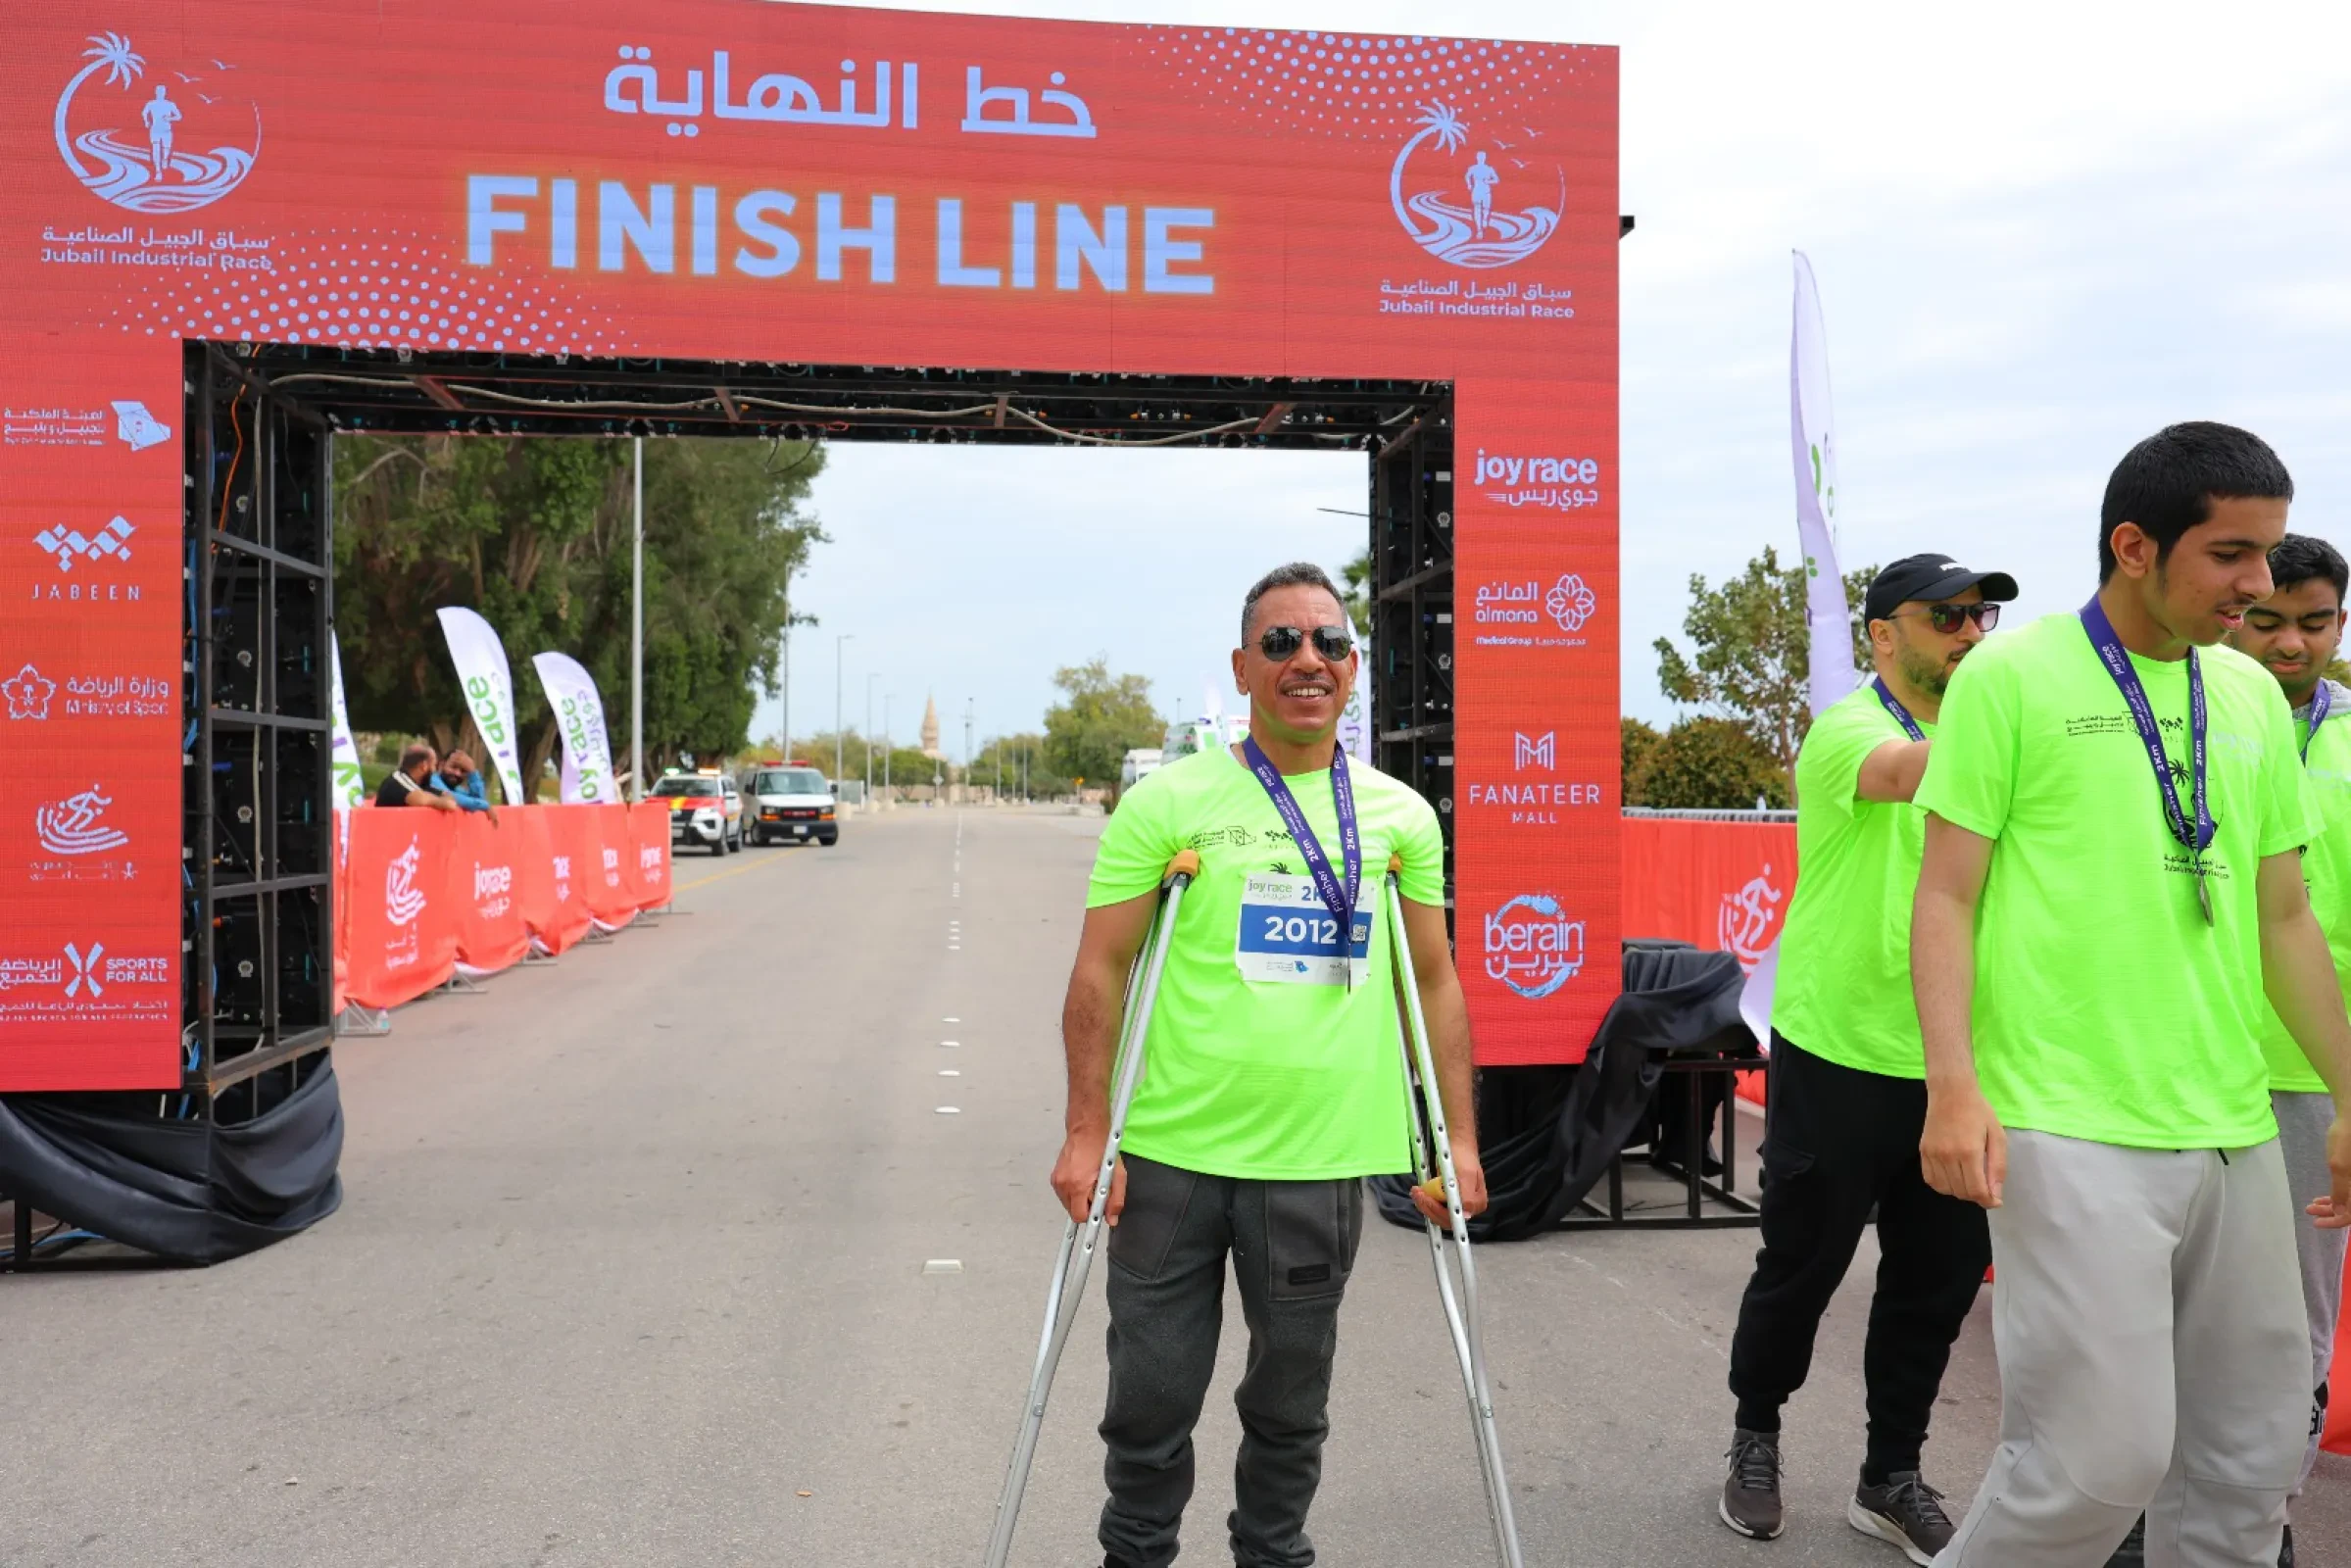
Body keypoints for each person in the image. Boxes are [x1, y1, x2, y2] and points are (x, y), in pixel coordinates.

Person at [1911, 421, 2351, 1567]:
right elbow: (1945, 895)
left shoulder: (2245, 695)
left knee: (2247, 1464)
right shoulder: (2011, 675)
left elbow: (2282, 916)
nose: (2255, 582)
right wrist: (1950, 1087)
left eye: (2266, 553)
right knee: (2090, 1465)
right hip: (2065, 1120)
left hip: (2231, 1124)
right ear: (2133, 546)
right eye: (2228, 554)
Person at [1054, 562, 1483, 1568]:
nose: (1306, 660)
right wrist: (1085, 1133)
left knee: (1290, 1400)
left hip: (1319, 1163)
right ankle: (1135, 1554)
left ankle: (1271, 1553)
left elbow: (1432, 982)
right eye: (1280, 643)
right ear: (1242, 667)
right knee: (1150, 1393)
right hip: (1171, 1157)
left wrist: (1456, 1142)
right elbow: (1100, 969)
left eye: (1328, 643)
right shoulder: (1166, 804)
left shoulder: (1397, 818)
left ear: (1353, 668)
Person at [1720, 553, 2016, 1564]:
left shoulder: (1995, 737)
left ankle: (1889, 1475)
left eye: (1979, 616)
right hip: (1838, 1050)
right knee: (1800, 1265)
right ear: (1883, 635)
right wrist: (2031, 717)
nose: (1969, 631)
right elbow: (1906, 775)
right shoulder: (1848, 730)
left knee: (1934, 1284)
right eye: (1946, 616)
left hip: (1955, 1062)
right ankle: (1754, 1434)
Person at [2227, 533, 2351, 1564]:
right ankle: (2155, 1511)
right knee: (2181, 1311)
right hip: (2191, 1060)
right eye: (2267, 620)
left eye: (2313, 622)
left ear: (2338, 623)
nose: (2289, 642)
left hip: (2315, 1075)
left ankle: (2262, 1515)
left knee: (2294, 1320)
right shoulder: (2193, 716)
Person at [373, 743, 460, 811]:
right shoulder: (397, 780)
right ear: (424, 765)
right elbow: (419, 798)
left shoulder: (421, 783)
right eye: (434, 765)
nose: (434, 770)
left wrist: (443, 801)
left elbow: (449, 798)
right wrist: (441, 802)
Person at [432, 750, 501, 823]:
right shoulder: (431, 780)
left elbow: (479, 799)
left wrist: (473, 773)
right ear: (441, 765)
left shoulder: (458, 790)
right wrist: (486, 805)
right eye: (453, 767)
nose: (457, 773)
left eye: (463, 770)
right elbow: (450, 796)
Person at [140, 85, 179, 181]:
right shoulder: (151, 104)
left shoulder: (170, 104)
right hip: (155, 130)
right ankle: (158, 171)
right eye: (159, 91)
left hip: (166, 130)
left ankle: (165, 159)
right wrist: (146, 121)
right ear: (156, 92)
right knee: (156, 150)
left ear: (165, 93)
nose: (161, 93)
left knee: (166, 148)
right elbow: (144, 112)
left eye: (162, 91)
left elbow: (179, 116)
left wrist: (170, 118)